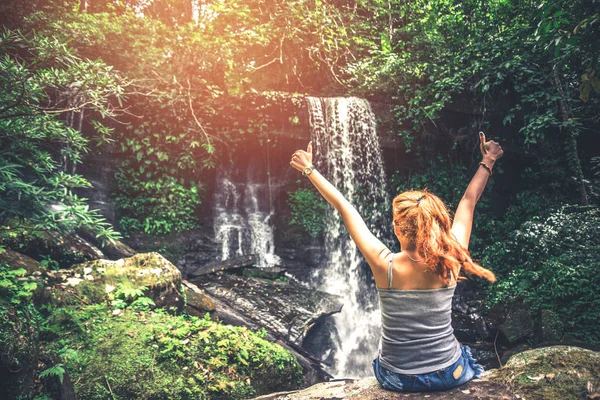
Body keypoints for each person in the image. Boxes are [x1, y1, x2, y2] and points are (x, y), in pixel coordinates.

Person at [289, 132, 503, 392]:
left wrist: (309, 169)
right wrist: (488, 160)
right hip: (448, 373)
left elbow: (345, 207)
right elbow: (468, 203)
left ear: (397, 228)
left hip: (397, 379)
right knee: (466, 356)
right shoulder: (452, 259)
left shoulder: (384, 265)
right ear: (435, 225)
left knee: (381, 360)